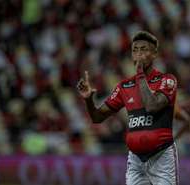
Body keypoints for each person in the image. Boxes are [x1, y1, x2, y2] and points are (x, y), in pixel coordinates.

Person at [77, 31, 179, 185]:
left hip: (161, 157)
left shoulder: (167, 80)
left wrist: (140, 75)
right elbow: (97, 117)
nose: (138, 54)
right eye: (134, 50)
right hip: (136, 159)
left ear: (154, 54)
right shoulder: (125, 86)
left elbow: (152, 106)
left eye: (143, 49)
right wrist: (89, 100)